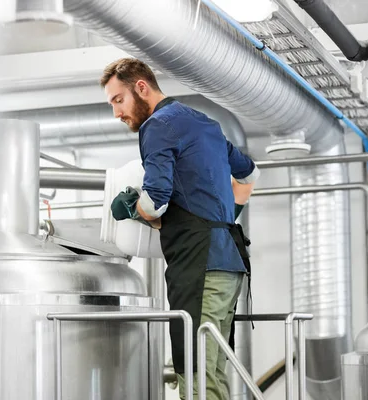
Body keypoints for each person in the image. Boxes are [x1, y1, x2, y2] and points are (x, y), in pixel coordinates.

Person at [101, 58, 260, 400]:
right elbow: (249, 176)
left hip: (199, 266)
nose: (117, 113)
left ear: (141, 87)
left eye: (118, 100)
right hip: (228, 263)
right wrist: (221, 217)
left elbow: (156, 200)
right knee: (212, 369)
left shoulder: (157, 125)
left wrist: (132, 206)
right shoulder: (206, 124)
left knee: (196, 372)